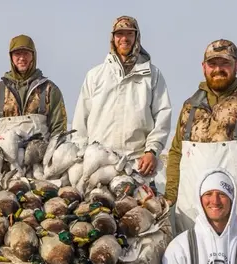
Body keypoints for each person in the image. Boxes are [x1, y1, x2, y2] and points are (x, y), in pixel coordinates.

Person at [165, 39, 237, 237]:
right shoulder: (189, 108)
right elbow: (177, 155)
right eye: (212, 64)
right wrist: (169, 199)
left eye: (225, 63)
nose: (218, 69)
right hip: (188, 217)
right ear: (203, 67)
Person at [71, 15, 172, 178]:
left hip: (137, 165)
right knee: (96, 204)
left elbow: (162, 115)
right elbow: (80, 121)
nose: (124, 39)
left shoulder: (153, 75)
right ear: (113, 38)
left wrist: (152, 150)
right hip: (98, 164)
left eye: (129, 34)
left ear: (137, 36)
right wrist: (81, 155)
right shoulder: (95, 75)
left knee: (139, 204)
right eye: (119, 34)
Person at [0, 34, 67, 140]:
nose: (22, 58)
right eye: (17, 54)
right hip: (3, 153)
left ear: (33, 56)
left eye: (26, 53)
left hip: (41, 153)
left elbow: (59, 131)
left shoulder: (49, 90)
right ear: (11, 57)